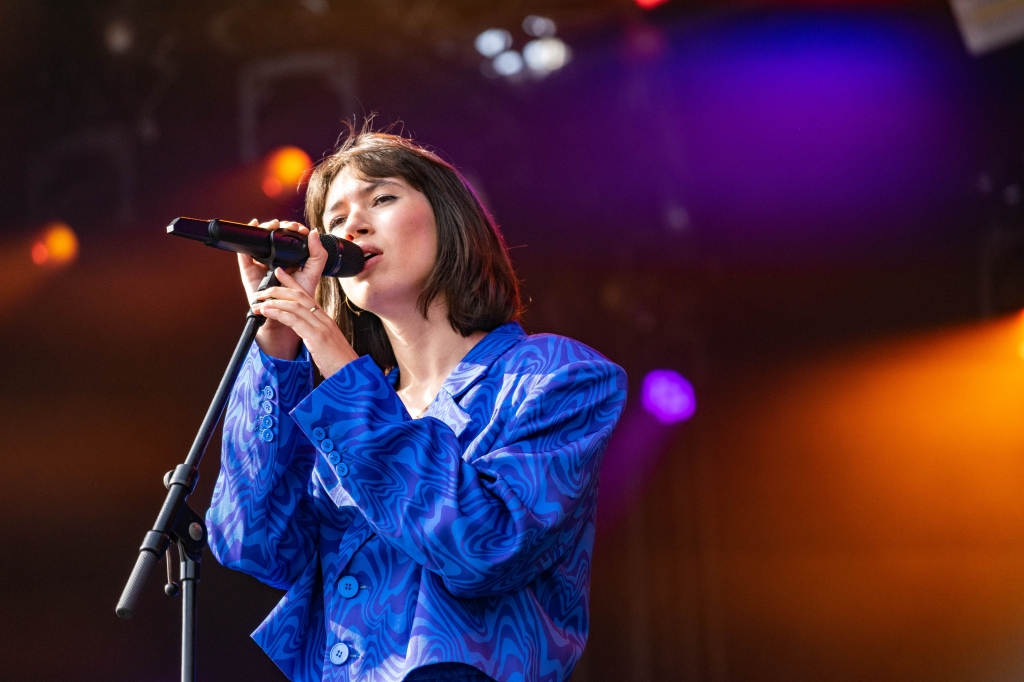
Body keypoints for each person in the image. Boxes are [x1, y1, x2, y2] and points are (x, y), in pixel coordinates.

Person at [205, 128, 627, 682]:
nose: (352, 226)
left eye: (381, 198)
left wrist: (344, 373)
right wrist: (277, 348)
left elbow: (486, 547)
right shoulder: (346, 412)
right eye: (335, 219)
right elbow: (252, 543)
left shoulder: (557, 375)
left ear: (451, 220)